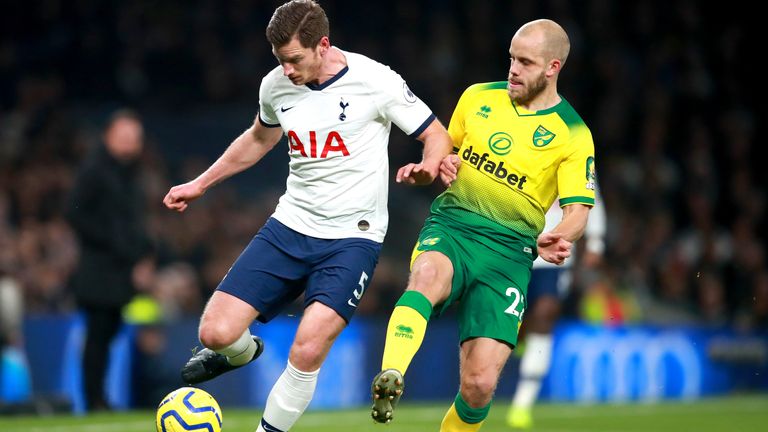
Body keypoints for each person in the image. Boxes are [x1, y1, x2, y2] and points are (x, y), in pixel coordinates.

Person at [162, 1, 452, 431]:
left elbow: (436, 134)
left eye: (295, 59)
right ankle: (245, 352)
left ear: (323, 45)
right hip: (290, 225)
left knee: (308, 347)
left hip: (353, 238)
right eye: (279, 61)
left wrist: (429, 167)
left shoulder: (375, 80)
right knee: (215, 334)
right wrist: (200, 184)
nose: (288, 70)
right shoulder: (276, 86)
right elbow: (259, 139)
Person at [370, 19, 597, 431]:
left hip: (511, 253)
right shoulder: (478, 97)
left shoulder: (574, 134)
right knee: (426, 277)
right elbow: (443, 145)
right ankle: (392, 375)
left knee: (479, 384)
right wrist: (434, 165)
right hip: (455, 224)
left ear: (553, 68)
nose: (512, 69)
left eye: (525, 62)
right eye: (511, 58)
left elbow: (579, 210)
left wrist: (558, 235)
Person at [67, 109, 153, 412]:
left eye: (135, 137)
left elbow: (133, 222)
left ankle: (100, 397)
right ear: (108, 136)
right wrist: (116, 244)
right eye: (125, 136)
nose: (131, 143)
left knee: (109, 333)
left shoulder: (129, 173)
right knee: (98, 336)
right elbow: (75, 213)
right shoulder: (94, 170)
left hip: (120, 271)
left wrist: (142, 254)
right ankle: (94, 400)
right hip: (97, 270)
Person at [506, 189, 605, 429]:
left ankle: (522, 404)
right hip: (514, 248)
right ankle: (522, 336)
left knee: (545, 313)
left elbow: (590, 197)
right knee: (511, 320)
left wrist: (595, 241)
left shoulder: (573, 152)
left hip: (555, 255)